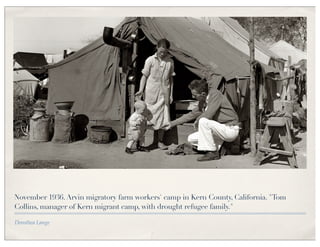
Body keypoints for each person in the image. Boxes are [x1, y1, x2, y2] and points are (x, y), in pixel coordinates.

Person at [169, 79, 240, 161]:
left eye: (194, 95)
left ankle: (212, 153)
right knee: (191, 139)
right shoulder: (202, 101)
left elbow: (208, 114)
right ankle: (223, 148)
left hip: (229, 129)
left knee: (203, 121)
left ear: (203, 94)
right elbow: (191, 115)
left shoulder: (215, 95)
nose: (192, 97)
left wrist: (197, 120)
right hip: (219, 131)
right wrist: (171, 124)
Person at [135, 38, 175, 150]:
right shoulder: (150, 60)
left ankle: (159, 142)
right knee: (147, 117)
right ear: (157, 48)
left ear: (167, 50)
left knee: (162, 118)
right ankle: (140, 141)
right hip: (151, 93)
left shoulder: (170, 62)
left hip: (164, 94)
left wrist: (171, 94)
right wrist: (140, 90)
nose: (162, 54)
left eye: (165, 52)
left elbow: (171, 79)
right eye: (160, 51)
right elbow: (144, 76)